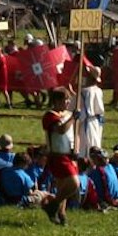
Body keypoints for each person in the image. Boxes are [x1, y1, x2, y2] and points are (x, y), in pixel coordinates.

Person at [40, 90, 81, 225]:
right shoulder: (49, 116)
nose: (68, 102)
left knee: (63, 187)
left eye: (68, 99)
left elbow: (76, 134)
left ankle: (61, 214)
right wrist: (72, 118)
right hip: (57, 156)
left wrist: (77, 148)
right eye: (65, 100)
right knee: (74, 183)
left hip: (70, 156)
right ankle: (52, 205)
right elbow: (61, 130)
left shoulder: (69, 115)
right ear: (56, 101)